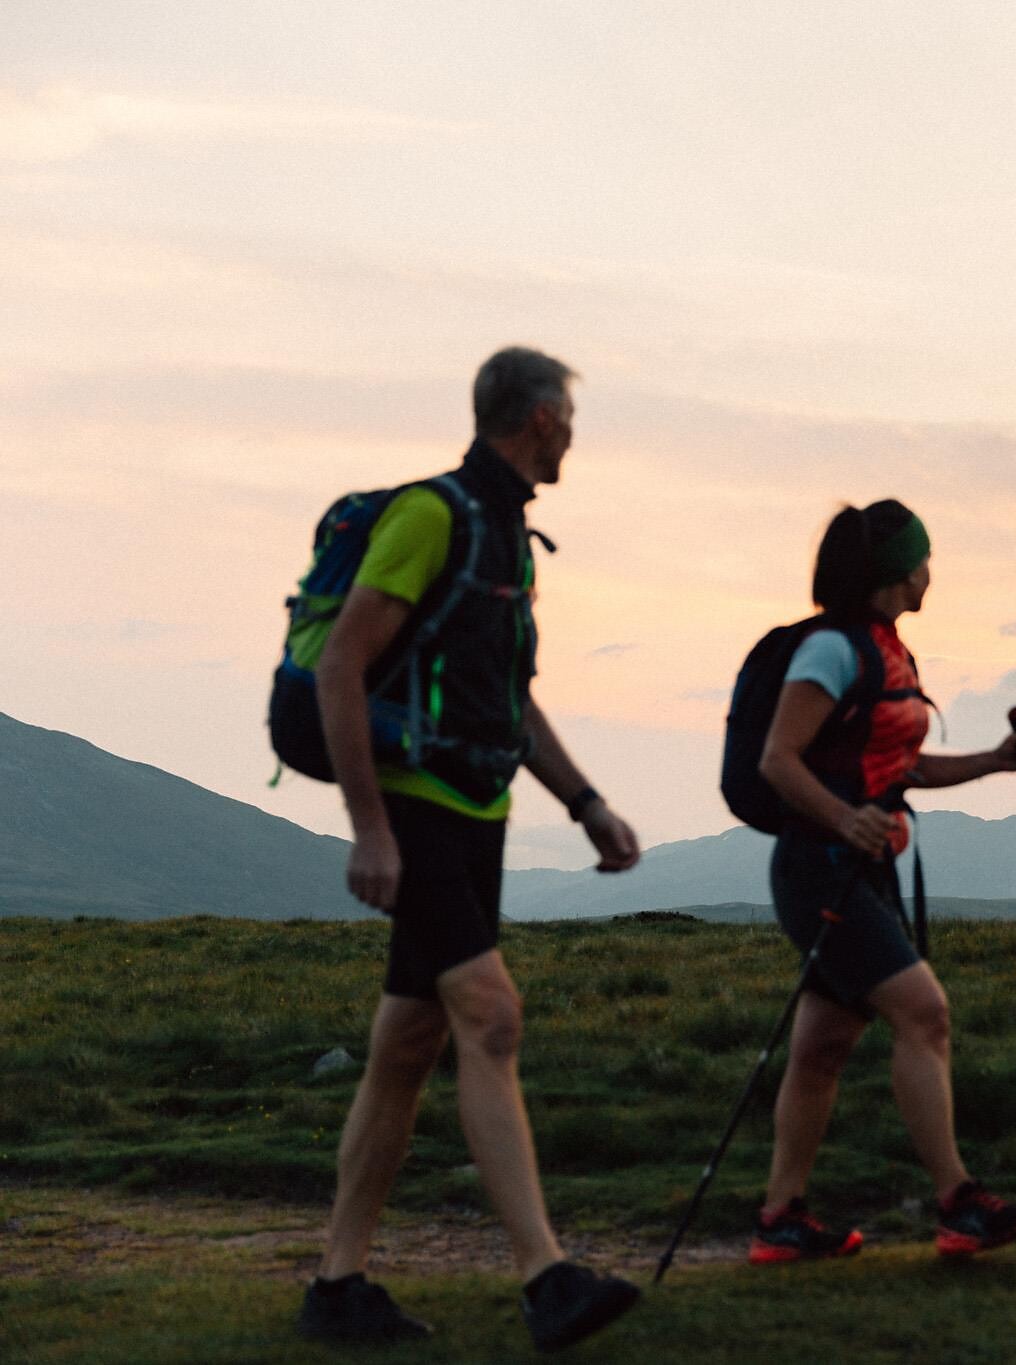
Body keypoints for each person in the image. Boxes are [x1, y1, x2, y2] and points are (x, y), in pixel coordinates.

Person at [297, 348, 642, 1352]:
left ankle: (337, 1285)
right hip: (415, 809)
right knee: (490, 1015)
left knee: (408, 1045)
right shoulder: (432, 515)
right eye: (568, 416)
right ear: (540, 418)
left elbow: (509, 696)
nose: (573, 434)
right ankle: (546, 1277)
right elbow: (339, 666)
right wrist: (370, 827)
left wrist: (585, 803)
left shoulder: (507, 536)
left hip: (476, 810)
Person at [750, 498, 1016, 1263]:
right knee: (926, 1012)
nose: (930, 571)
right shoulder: (831, 651)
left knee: (823, 1046)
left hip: (859, 867)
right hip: (820, 869)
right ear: (895, 570)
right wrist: (843, 818)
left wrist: (995, 761)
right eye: (923, 558)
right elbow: (777, 759)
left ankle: (781, 1219)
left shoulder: (888, 651)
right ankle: (959, 1203)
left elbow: (899, 767)